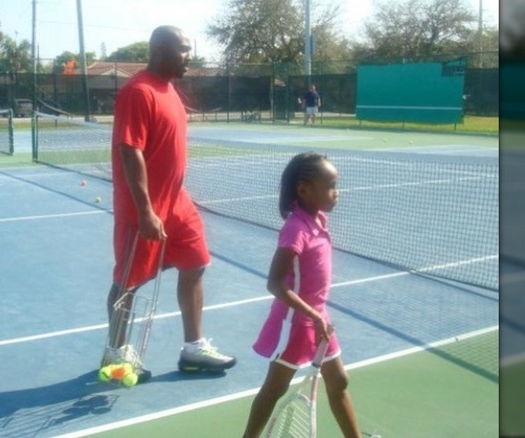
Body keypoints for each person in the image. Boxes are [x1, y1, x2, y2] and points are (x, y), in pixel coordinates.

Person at [103, 25, 237, 382]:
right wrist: (146, 210)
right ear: (160, 50)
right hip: (143, 208)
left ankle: (193, 348)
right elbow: (130, 149)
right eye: (183, 49)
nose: (189, 57)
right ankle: (115, 351)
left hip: (178, 203)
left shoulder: (170, 91)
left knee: (196, 264)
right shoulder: (138, 91)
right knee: (128, 283)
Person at [243, 152, 362, 437]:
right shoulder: (296, 229)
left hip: (318, 318)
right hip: (295, 324)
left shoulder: (318, 220)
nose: (337, 193)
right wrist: (311, 314)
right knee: (275, 389)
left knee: (339, 381)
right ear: (304, 190)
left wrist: (317, 315)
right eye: (330, 186)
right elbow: (275, 284)